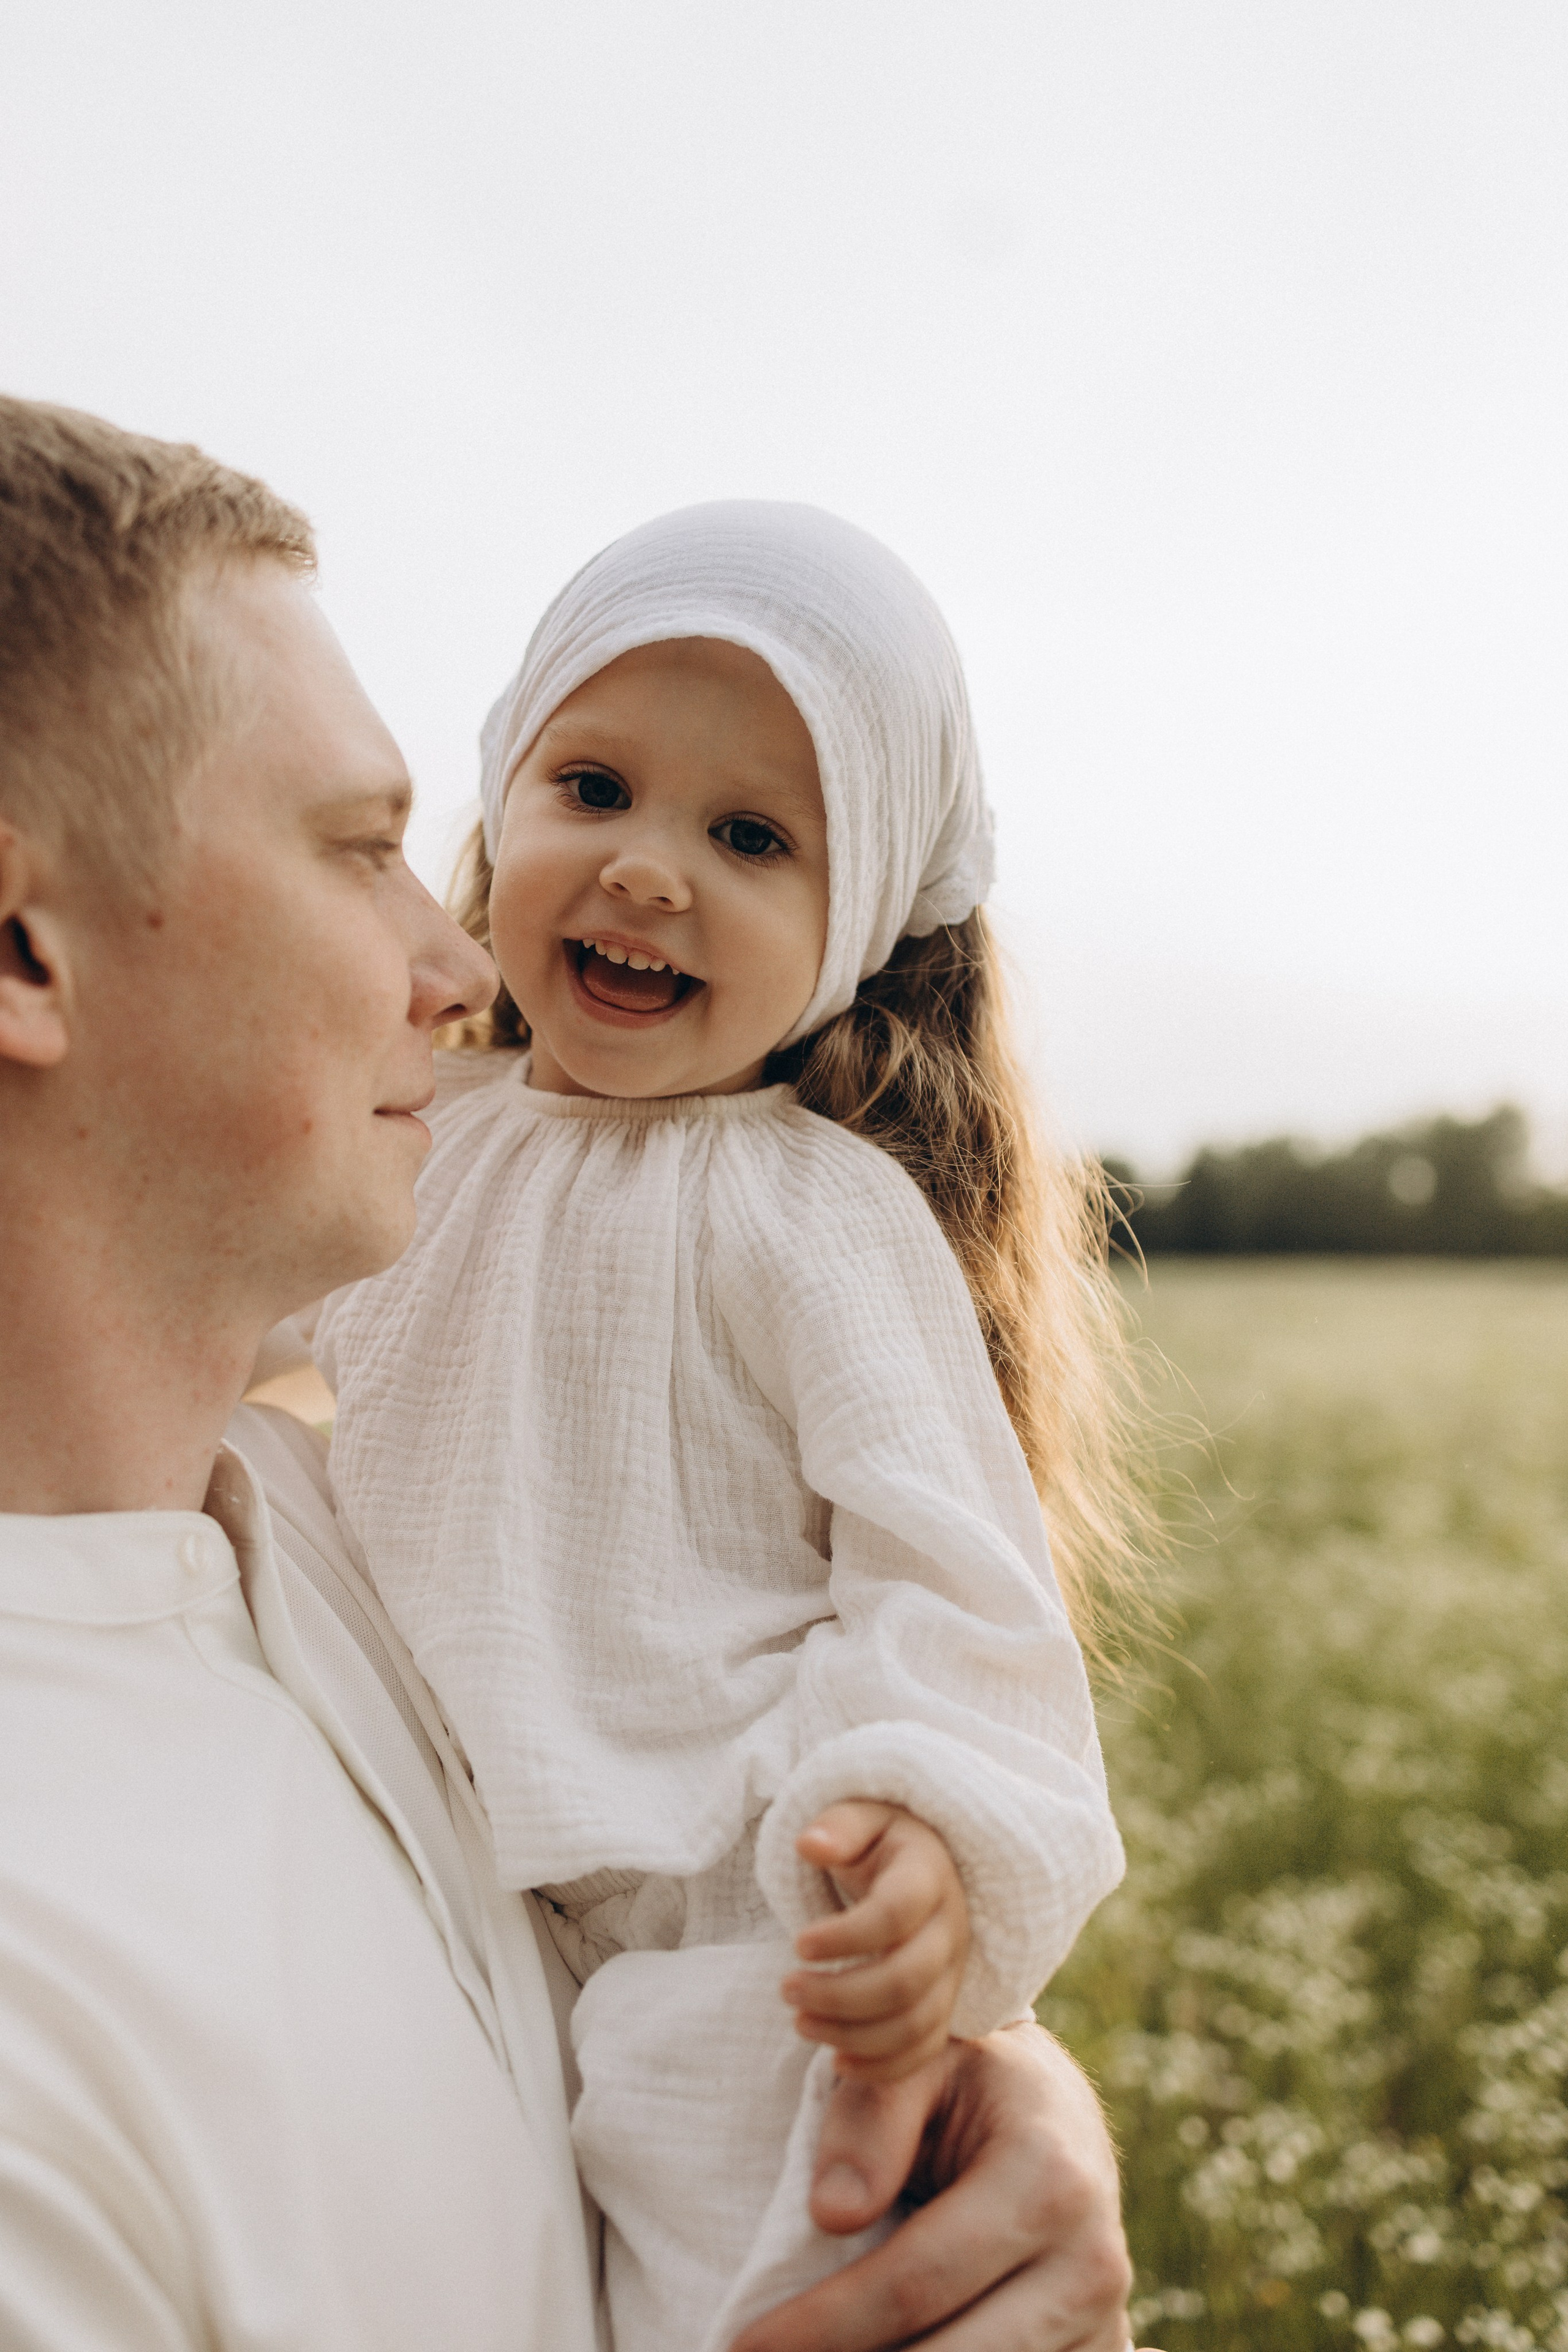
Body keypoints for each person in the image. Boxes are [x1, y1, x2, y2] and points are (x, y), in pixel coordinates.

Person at [0, 396, 1145, 2350]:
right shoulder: (63, 1982)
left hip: (751, 1982)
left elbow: (945, 1611)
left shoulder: (276, 1543)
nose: (456, 952)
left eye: (755, 835)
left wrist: (967, 2004)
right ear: (23, 949)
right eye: (368, 847)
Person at [314, 503, 1144, 2351]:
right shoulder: (409, 1142)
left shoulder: (821, 1216)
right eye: (593, 786)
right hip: (443, 1875)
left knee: (758, 2306)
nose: (650, 871)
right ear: (501, 795)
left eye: (752, 836)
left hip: (738, 1904)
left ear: (857, 928)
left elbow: (952, 1585)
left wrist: (925, 1836)